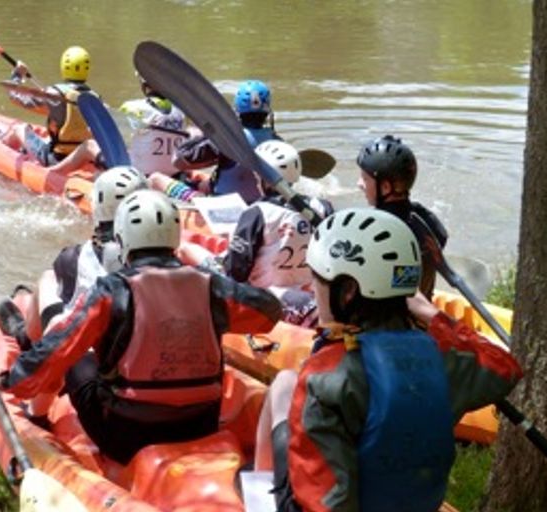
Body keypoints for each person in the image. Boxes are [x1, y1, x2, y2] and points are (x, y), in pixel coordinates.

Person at [0, 189, 283, 464]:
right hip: (199, 424)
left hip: (125, 436)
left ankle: (38, 416)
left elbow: (58, 347)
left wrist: (5, 380)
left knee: (72, 347)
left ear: (122, 241)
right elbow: (270, 312)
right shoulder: (212, 287)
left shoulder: (111, 290)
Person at [253, 207, 522, 512]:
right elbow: (505, 367)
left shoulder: (325, 373)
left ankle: (259, 493)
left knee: (285, 383)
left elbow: (325, 498)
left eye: (317, 280)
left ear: (348, 292)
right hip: (413, 502)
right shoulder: (445, 358)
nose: (313, 289)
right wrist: (432, 315)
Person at [0, 166, 146, 427]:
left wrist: (8, 380)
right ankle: (28, 338)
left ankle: (37, 408)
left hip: (110, 388)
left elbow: (66, 332)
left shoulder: (76, 257)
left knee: (52, 296)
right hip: (165, 380)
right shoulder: (187, 274)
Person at [222, 140, 334, 326]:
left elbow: (237, 271)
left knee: (201, 260)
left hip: (270, 299)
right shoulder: (323, 207)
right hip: (312, 295)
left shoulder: (257, 213)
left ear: (264, 178)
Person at [357, 134, 448, 299]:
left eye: (364, 178)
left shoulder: (379, 230)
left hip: (391, 320)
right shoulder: (424, 217)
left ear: (385, 187)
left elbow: (404, 296)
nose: (359, 184)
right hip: (419, 313)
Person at [170, 79, 279, 204]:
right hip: (259, 202)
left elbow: (178, 161)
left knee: (156, 178)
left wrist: (208, 134)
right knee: (200, 177)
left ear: (237, 109)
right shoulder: (277, 142)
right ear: (267, 112)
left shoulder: (227, 139)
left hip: (226, 203)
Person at [0, 46, 101, 174]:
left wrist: (17, 74)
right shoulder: (96, 98)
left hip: (56, 159)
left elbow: (14, 96)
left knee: (19, 128)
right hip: (83, 159)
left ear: (64, 67)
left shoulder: (54, 94)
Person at [118, 73, 191, 177]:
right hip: (176, 174)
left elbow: (116, 136)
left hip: (144, 176)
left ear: (144, 85)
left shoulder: (132, 107)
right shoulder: (182, 110)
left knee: (90, 145)